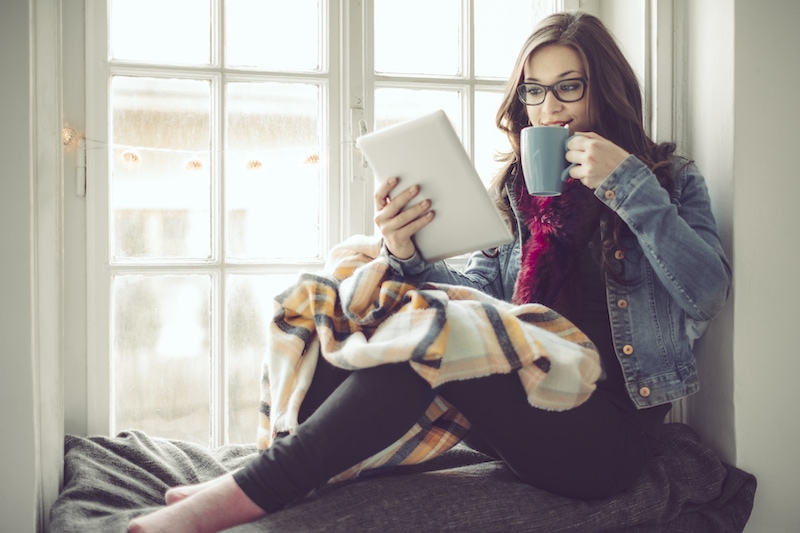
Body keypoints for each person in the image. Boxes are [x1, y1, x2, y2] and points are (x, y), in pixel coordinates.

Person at [129, 11, 731, 533]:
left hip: (605, 438)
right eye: (534, 91)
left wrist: (627, 186)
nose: (548, 108)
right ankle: (280, 470)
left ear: (607, 91)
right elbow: (481, 306)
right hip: (524, 406)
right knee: (347, 304)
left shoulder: (666, 181)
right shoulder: (517, 194)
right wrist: (406, 252)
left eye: (568, 88)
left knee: (436, 339)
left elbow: (707, 291)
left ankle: (243, 495)